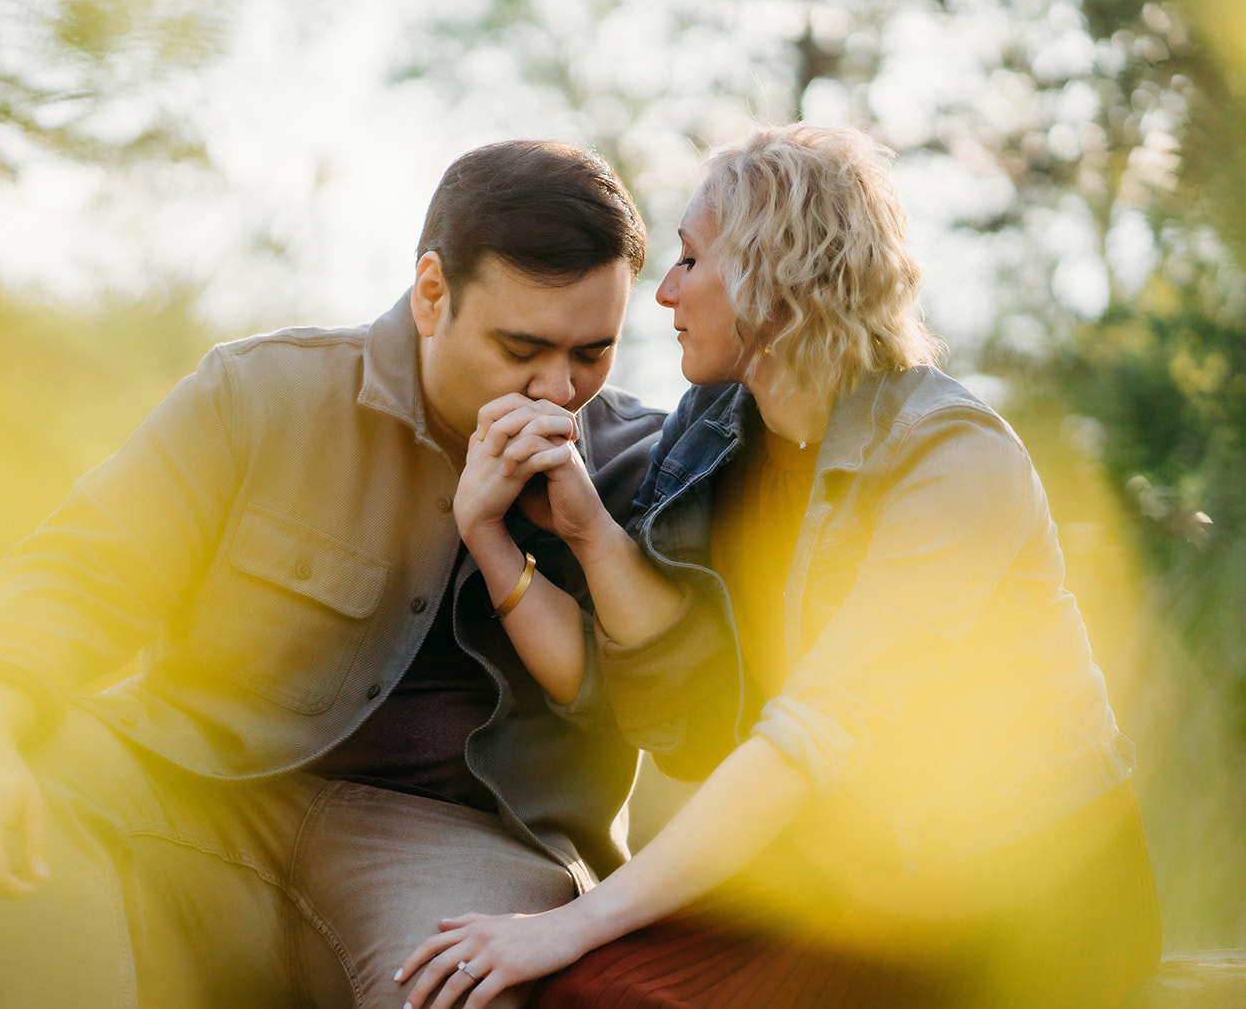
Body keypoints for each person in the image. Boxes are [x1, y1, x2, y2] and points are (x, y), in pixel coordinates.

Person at [0, 140, 727, 1008]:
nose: (556, 388)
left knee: (461, 990)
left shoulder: (640, 468)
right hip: (204, 800)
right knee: (30, 770)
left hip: (466, 854)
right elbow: (83, 568)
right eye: (521, 347)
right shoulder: (261, 394)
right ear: (431, 296)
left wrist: (586, 532)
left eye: (592, 354)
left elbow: (690, 717)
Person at [396, 123, 1162, 1009]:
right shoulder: (715, 424)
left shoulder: (953, 459)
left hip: (1014, 890)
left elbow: (810, 739)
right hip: (826, 869)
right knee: (577, 991)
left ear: (771, 277)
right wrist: (523, 533)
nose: (664, 293)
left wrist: (578, 915)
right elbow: (652, 700)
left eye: (688, 260)